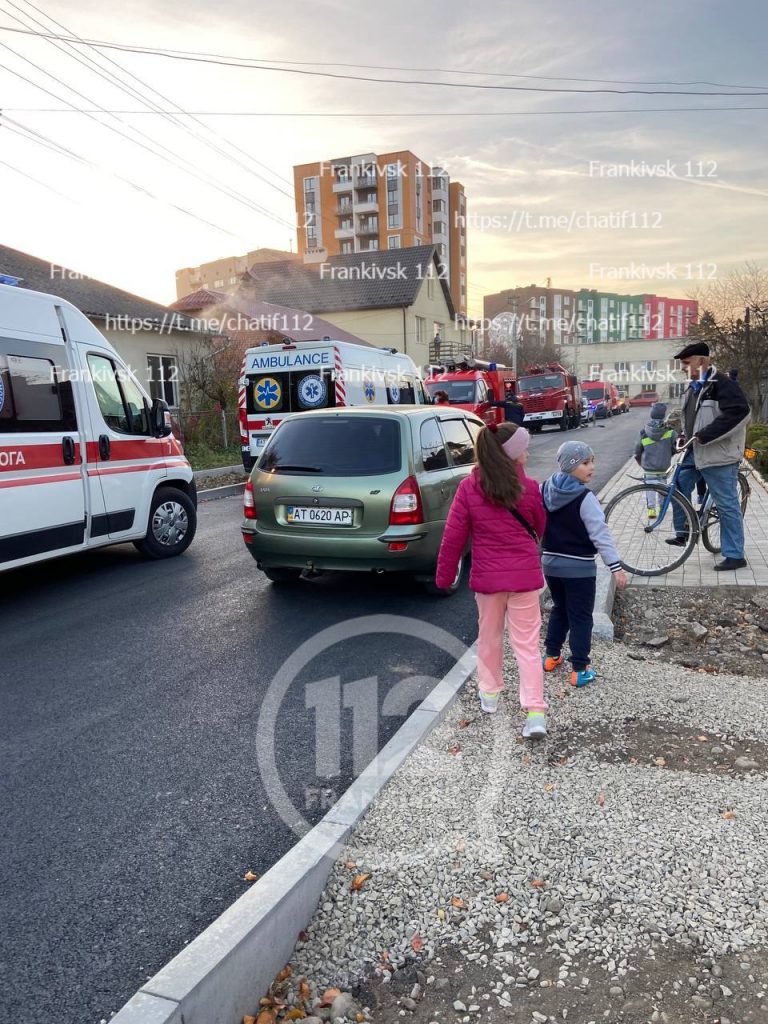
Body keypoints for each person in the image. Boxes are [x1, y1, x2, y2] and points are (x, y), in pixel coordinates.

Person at [435, 423, 548, 738]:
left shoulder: (469, 489)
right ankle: (535, 712)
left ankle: (490, 695)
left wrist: (444, 576)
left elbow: (453, 536)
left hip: (488, 581)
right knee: (527, 645)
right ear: (512, 455)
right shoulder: (531, 489)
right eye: (525, 446)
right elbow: (540, 527)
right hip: (525, 578)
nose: (528, 450)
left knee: (489, 637)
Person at [541, 441, 627, 688]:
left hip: (550, 564)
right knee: (580, 617)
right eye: (585, 463)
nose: (592, 467)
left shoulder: (543, 489)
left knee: (560, 609)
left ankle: (551, 656)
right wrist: (615, 566)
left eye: (592, 461)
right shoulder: (584, 497)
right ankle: (580, 668)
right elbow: (600, 534)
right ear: (570, 466)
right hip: (579, 569)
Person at [667, 342, 751, 571]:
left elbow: (740, 413)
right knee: (676, 485)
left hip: (719, 456)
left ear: (701, 361)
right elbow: (693, 420)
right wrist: (686, 436)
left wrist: (705, 435)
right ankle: (684, 532)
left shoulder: (722, 385)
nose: (683, 367)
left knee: (726, 505)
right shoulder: (693, 387)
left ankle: (735, 555)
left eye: (686, 363)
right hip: (696, 452)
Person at [633, 402, 677, 518]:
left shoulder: (644, 432)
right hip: (663, 467)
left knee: (650, 490)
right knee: (662, 490)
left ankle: (651, 510)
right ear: (663, 415)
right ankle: (662, 508)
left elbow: (637, 450)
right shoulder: (670, 432)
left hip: (649, 468)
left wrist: (640, 462)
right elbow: (675, 447)